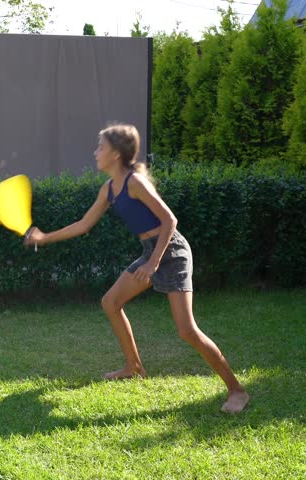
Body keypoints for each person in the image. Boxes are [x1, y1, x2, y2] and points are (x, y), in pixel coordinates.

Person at [23, 124, 250, 413]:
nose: (96, 152)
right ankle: (134, 367)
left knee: (187, 330)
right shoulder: (109, 189)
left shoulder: (135, 183)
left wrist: (154, 263)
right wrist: (44, 237)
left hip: (171, 252)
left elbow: (170, 221)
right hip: (150, 251)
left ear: (116, 154)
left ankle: (237, 391)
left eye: (100, 147)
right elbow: (83, 224)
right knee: (111, 302)